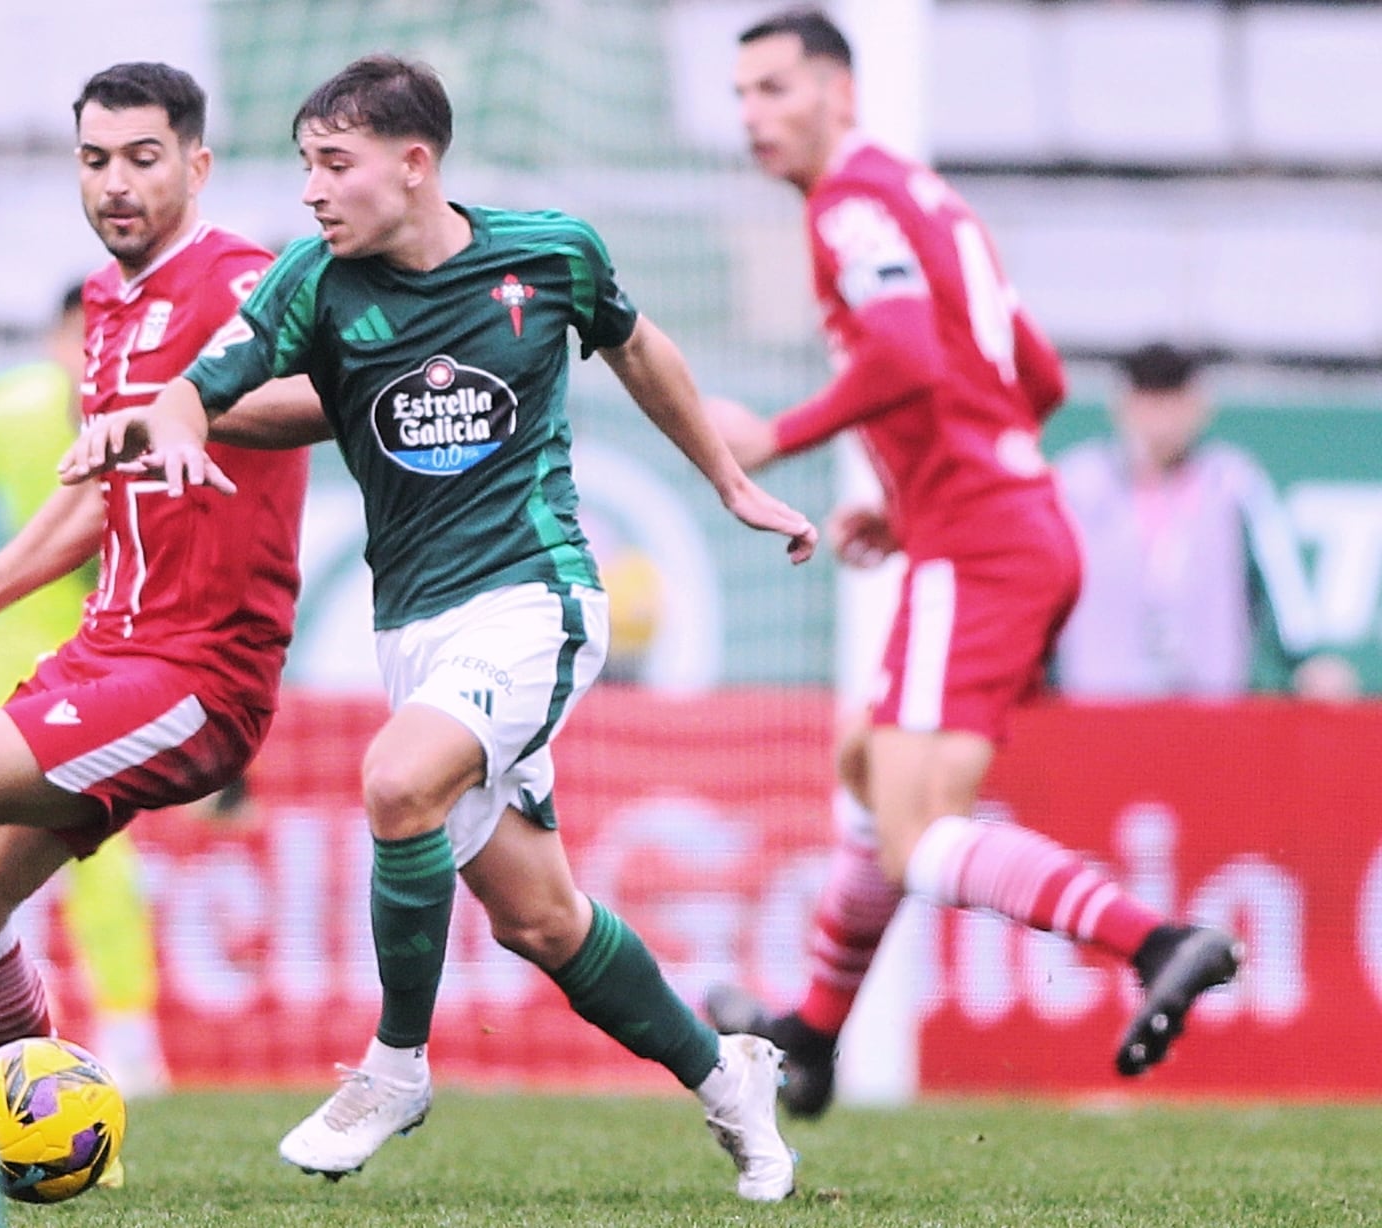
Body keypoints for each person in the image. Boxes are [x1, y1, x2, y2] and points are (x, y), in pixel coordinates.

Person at [67, 53, 817, 1202]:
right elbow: (202, 386)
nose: (310, 190)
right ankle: (730, 1078)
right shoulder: (311, 284)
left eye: (333, 164)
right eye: (307, 165)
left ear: (412, 165)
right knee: (542, 920)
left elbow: (641, 349)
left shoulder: (549, 252)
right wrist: (157, 421)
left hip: (538, 596)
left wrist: (725, 480)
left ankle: (394, 1066)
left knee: (393, 782)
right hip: (412, 626)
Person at [696, 8, 1243, 1121]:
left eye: (775, 89)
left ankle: (1155, 941)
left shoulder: (849, 203)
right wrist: (913, 500)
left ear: (839, 93)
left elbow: (901, 351)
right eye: (741, 94)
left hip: (979, 547)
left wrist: (775, 437)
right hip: (1002, 523)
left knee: (913, 826)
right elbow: (1030, 376)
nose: (753, 115)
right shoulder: (927, 199)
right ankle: (812, 1032)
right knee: (865, 764)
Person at [0, 60, 315, 1184]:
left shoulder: (243, 278)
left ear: (196, 162)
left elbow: (330, 395)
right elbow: (93, 491)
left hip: (196, 672)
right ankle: (79, 1140)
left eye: (142, 157)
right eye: (95, 160)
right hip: (103, 652)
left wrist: (187, 404)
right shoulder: (104, 303)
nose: (117, 183)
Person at [0, 281, 173, 1098]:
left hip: (70, 635)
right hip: (41, 631)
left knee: (72, 835)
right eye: (77, 336)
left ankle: (115, 1026)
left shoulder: (27, 405)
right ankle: (113, 1031)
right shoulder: (47, 407)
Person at [1054, 342, 1358, 700]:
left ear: (1200, 407)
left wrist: (1306, 659)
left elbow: (1278, 581)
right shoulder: (1076, 484)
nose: (1162, 419)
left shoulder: (1232, 483)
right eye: (1150, 401)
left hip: (1209, 705)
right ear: (1123, 406)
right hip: (1095, 703)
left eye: (1174, 402)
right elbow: (1039, 584)